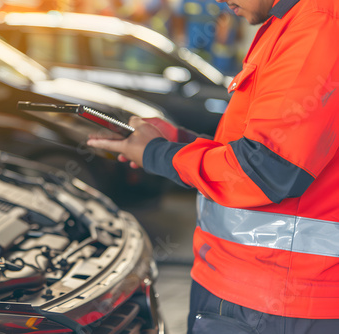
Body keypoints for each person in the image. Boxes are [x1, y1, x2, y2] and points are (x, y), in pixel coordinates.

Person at [87, 0, 339, 333]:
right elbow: (254, 150)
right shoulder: (291, 23)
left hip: (273, 299)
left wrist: (157, 154)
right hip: (256, 292)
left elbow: (265, 170)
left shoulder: (320, 23)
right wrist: (176, 140)